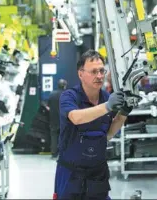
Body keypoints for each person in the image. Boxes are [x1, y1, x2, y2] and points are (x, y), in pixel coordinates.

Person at [54, 50, 133, 200]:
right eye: (94, 71)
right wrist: (107, 106)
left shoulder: (106, 97)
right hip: (71, 174)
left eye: (102, 71)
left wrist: (123, 112)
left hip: (97, 173)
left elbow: (108, 134)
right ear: (80, 74)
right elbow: (76, 118)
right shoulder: (69, 96)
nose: (99, 76)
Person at [48, 79, 68, 159]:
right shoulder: (66, 94)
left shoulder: (52, 94)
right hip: (63, 118)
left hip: (53, 118)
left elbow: (49, 105)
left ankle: (54, 153)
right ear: (64, 86)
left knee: (53, 135)